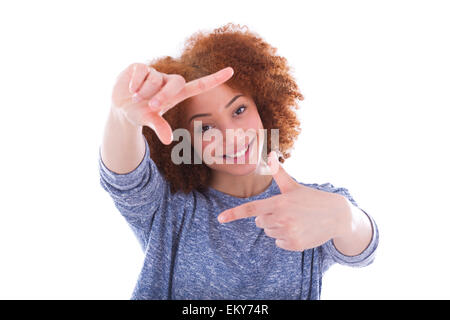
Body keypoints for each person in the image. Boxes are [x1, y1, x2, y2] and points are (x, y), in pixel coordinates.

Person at [98, 23, 379, 300]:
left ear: (263, 106)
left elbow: (364, 249)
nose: (231, 136)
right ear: (185, 138)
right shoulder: (169, 207)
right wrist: (122, 117)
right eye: (205, 128)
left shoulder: (307, 204)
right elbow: (124, 180)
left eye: (239, 110)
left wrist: (345, 217)